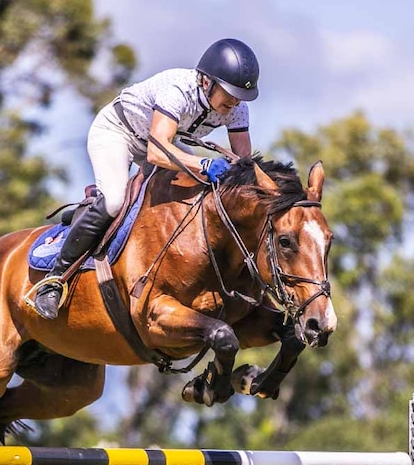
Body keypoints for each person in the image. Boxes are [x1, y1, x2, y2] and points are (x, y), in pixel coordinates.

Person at [31, 38, 260, 320]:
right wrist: (202, 163)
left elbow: (243, 164)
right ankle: (53, 280)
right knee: (114, 201)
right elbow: (156, 152)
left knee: (202, 195)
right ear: (205, 82)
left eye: (239, 96)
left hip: (164, 143)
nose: (235, 101)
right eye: (229, 93)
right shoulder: (178, 90)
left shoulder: (236, 109)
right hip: (120, 133)